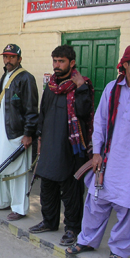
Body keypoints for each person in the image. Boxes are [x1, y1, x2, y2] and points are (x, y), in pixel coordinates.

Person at [66, 45, 130, 258]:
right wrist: (96, 153)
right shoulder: (112, 89)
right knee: (96, 201)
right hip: (109, 159)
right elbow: (100, 123)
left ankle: (120, 249)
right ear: (126, 65)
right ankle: (87, 240)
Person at [28, 45, 94, 246]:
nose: (57, 65)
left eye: (61, 61)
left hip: (71, 149)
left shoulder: (82, 86)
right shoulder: (51, 87)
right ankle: (49, 221)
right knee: (47, 187)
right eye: (55, 61)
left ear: (71, 63)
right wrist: (39, 137)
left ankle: (73, 228)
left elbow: (84, 113)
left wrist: (81, 87)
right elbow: (43, 113)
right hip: (49, 144)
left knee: (72, 192)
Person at [0, 44, 38, 221]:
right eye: (5, 57)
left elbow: (31, 109)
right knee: (2, 167)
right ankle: (1, 202)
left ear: (19, 59)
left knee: (17, 171)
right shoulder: (5, 76)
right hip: (3, 131)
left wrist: (28, 133)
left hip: (17, 132)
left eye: (12, 57)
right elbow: (3, 108)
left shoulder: (26, 78)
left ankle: (19, 208)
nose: (8, 60)